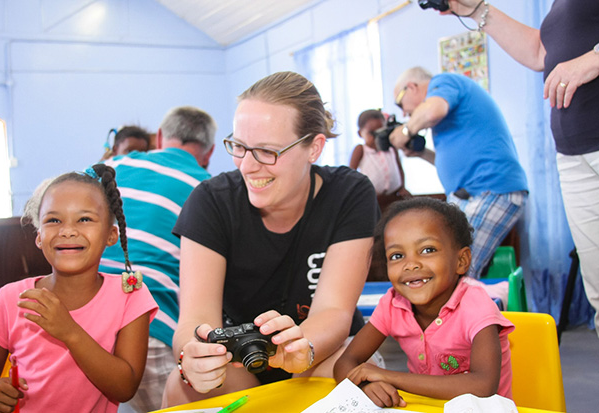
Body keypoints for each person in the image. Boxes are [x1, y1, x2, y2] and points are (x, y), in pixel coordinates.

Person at [162, 71, 379, 407]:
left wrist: (299, 349)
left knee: (353, 372)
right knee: (183, 386)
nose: (247, 166)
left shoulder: (349, 194)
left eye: (266, 151)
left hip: (316, 350)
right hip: (236, 359)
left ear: (314, 147)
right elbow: (195, 320)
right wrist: (194, 358)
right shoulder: (210, 201)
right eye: (239, 147)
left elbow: (334, 310)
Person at [442, 0, 599, 336]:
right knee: (598, 292)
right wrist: (475, 9)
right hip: (574, 152)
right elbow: (538, 52)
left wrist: (593, 58)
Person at [0, 164, 158, 412]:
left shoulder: (129, 296)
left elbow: (125, 387)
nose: (68, 231)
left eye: (84, 219)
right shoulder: (13, 299)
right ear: (39, 236)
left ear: (111, 234)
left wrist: (70, 331)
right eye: (53, 220)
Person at [334, 197, 514, 408]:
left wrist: (388, 377)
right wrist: (365, 385)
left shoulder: (475, 306)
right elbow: (345, 363)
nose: (410, 264)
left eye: (427, 250)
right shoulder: (393, 305)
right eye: (397, 255)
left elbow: (483, 386)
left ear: (461, 261)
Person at [100, 106, 216, 413]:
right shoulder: (211, 191)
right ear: (210, 152)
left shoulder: (110, 167)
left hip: (82, 321)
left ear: (160, 137)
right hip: (153, 324)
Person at [388, 66, 528, 279]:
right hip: (472, 193)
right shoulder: (444, 116)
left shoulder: (444, 82)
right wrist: (421, 154)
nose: (404, 112)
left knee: (455, 271)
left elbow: (433, 110)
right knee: (444, 266)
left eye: (401, 103)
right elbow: (452, 164)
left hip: (491, 188)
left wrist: (406, 130)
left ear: (412, 87)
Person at [349, 109, 411, 213]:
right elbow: (350, 174)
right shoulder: (361, 150)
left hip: (394, 197)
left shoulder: (391, 148)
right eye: (372, 133)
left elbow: (399, 168)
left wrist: (402, 187)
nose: (377, 137)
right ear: (360, 133)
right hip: (372, 199)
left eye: (381, 132)